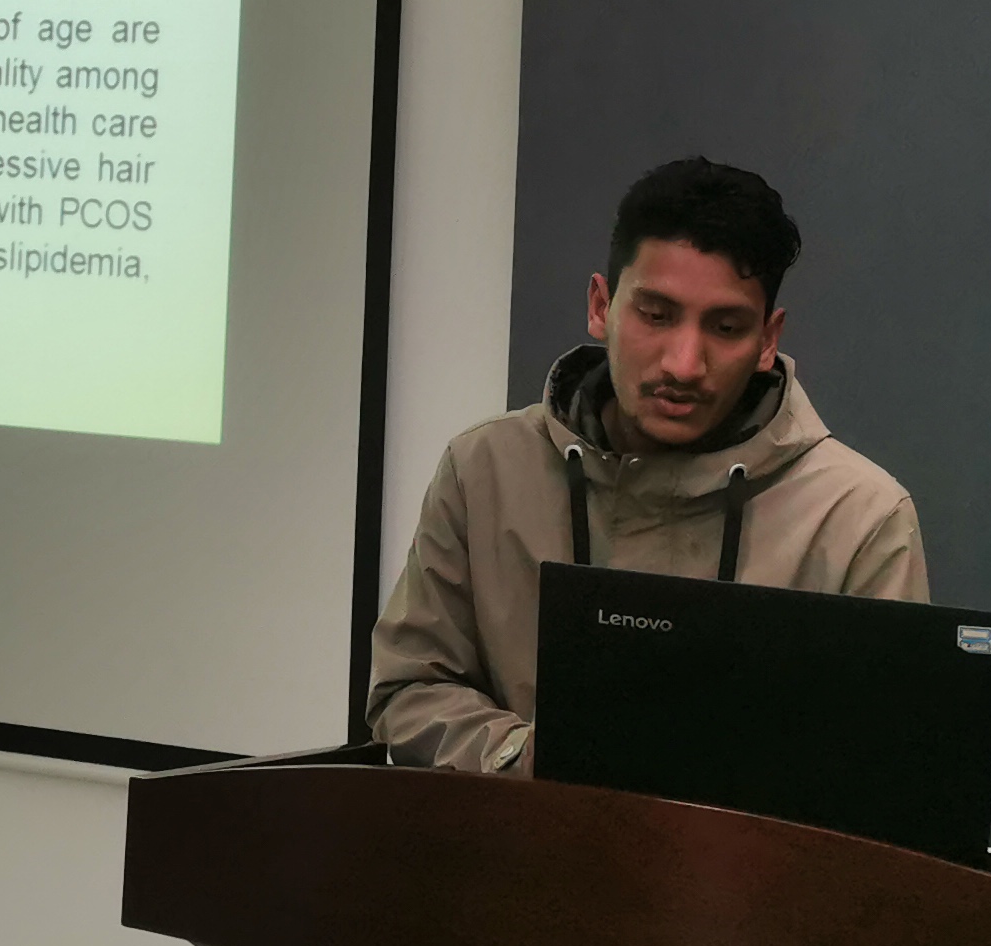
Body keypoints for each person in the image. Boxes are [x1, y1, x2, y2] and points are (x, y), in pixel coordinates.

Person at [366, 154, 928, 771]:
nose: (684, 364)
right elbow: (411, 688)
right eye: (656, 316)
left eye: (726, 327)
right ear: (601, 306)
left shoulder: (858, 517)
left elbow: (886, 765)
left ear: (768, 340)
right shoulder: (483, 471)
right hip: (522, 833)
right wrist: (526, 758)